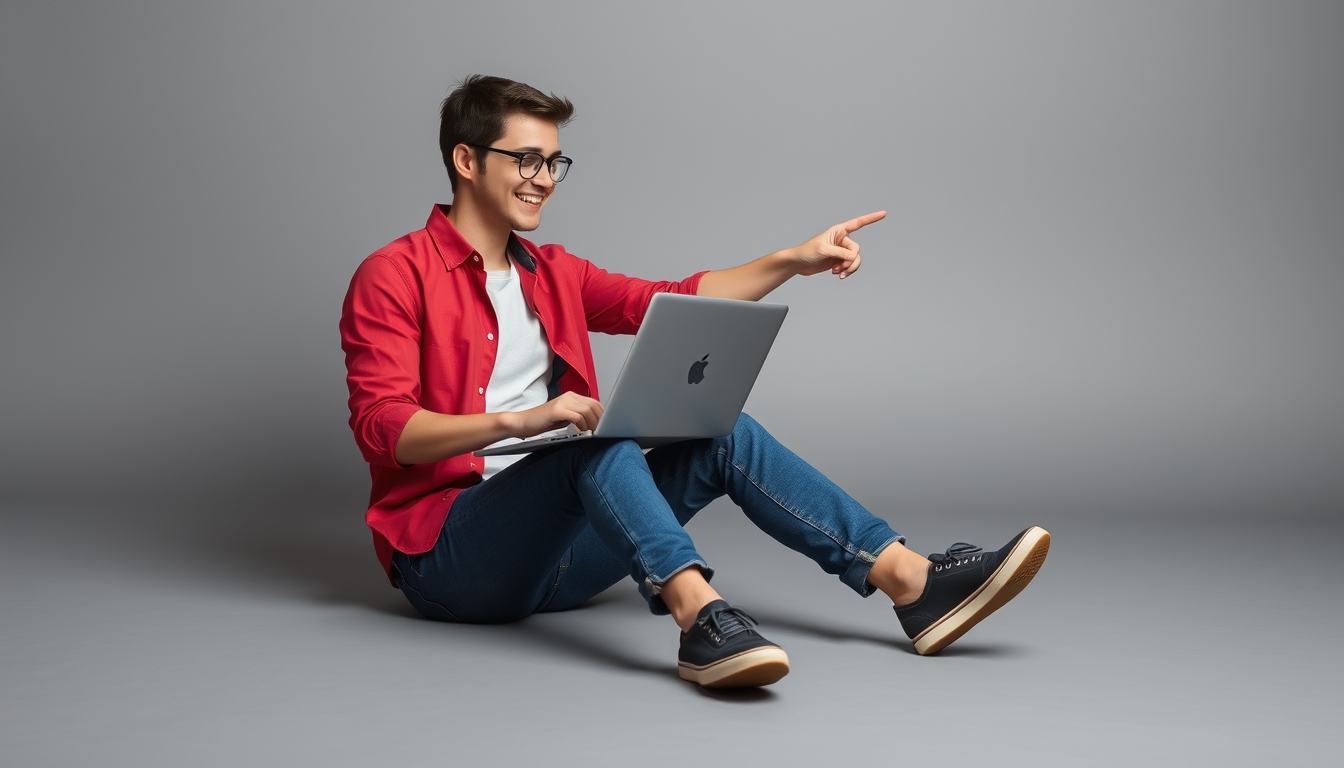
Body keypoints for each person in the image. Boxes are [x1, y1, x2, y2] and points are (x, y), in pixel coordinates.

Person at [340, 75, 1050, 688]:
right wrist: (520, 423)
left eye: (555, 162)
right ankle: (701, 618)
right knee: (589, 445)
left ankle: (910, 583)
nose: (544, 178)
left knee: (722, 430)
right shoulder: (394, 275)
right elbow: (384, 430)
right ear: (466, 159)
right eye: (526, 158)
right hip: (450, 562)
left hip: (556, 560)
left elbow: (670, 297)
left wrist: (793, 259)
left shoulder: (553, 272)